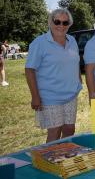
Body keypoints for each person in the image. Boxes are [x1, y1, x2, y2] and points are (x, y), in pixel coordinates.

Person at [25, 8, 82, 142]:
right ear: (50, 22)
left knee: (70, 129)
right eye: (57, 22)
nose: (61, 26)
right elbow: (29, 70)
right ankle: (49, 161)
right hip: (50, 96)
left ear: (69, 24)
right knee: (55, 132)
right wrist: (35, 96)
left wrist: (79, 79)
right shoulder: (39, 43)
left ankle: (63, 158)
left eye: (65, 22)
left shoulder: (72, 40)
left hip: (71, 94)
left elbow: (75, 61)